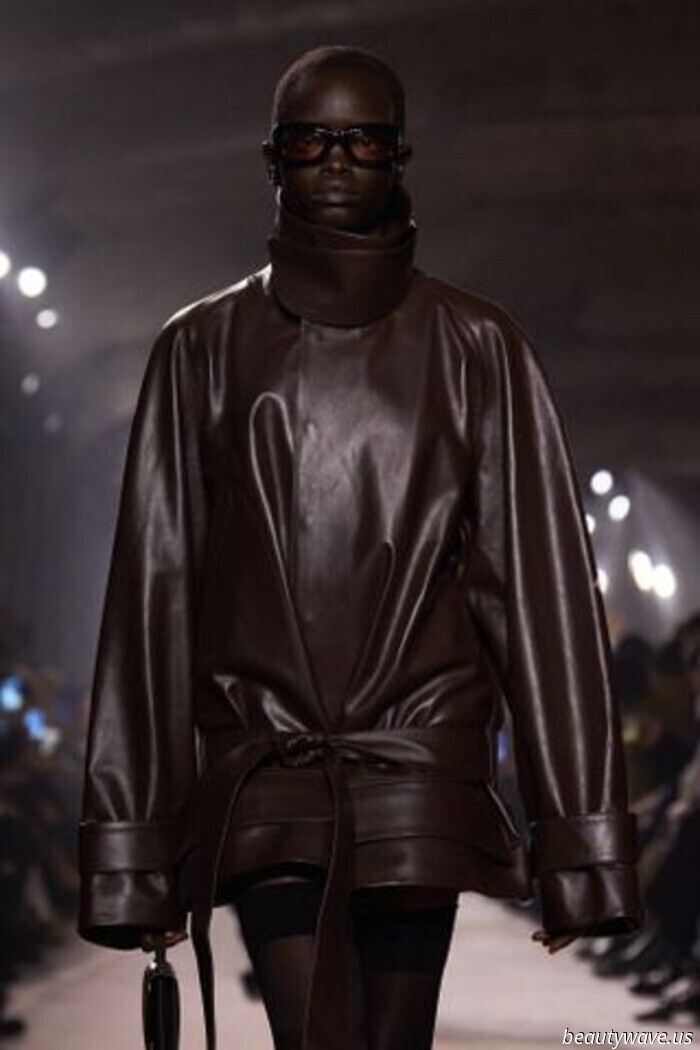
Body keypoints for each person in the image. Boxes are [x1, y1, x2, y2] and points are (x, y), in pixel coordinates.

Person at [77, 45, 645, 1050]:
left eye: (362, 141)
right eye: (311, 141)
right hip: (271, 773)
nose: (336, 161)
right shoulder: (198, 350)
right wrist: (134, 850)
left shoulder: (481, 348)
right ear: (272, 159)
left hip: (416, 772)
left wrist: (583, 844)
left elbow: (539, 601)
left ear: (400, 156)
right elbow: (154, 604)